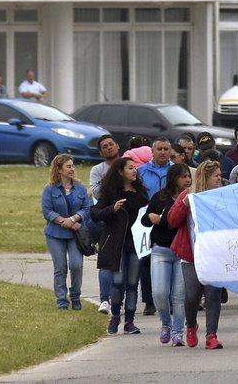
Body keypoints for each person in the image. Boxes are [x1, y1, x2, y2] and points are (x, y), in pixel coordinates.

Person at [168, 160, 225, 349]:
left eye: (219, 174)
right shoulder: (189, 195)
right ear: (205, 177)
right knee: (192, 295)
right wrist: (183, 204)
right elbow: (172, 220)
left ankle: (212, 335)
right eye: (216, 175)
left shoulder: (221, 195)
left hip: (215, 256)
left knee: (213, 295)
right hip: (191, 255)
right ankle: (191, 325)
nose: (219, 178)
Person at [92, 157, 149, 334]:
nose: (134, 171)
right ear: (120, 171)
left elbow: (146, 215)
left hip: (135, 243)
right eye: (130, 168)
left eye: (135, 168)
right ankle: (115, 316)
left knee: (132, 283)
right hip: (116, 243)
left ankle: (130, 321)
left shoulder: (140, 192)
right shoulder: (110, 193)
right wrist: (112, 209)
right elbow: (95, 214)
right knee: (117, 282)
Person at [143, 163, 192, 347]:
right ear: (173, 179)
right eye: (182, 176)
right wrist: (151, 217)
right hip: (161, 250)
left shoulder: (191, 197)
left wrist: (163, 220)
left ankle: (178, 333)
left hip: (182, 252)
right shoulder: (160, 197)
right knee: (159, 293)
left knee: (179, 296)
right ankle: (166, 323)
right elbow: (145, 219)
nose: (187, 180)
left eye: (188, 176)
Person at [41, 153, 91, 310]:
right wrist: (65, 222)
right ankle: (61, 300)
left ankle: (75, 296)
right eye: (68, 166)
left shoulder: (80, 188)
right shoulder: (49, 189)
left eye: (73, 166)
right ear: (59, 169)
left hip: (75, 235)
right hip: (55, 235)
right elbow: (47, 211)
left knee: (76, 265)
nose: (72, 169)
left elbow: (86, 209)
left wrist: (74, 219)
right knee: (60, 267)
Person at [137, 137, 174, 316]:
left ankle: (172, 299)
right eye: (159, 149)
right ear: (152, 151)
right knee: (146, 260)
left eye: (166, 149)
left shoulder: (175, 171)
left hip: (171, 219)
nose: (162, 152)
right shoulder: (141, 171)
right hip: (147, 218)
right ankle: (149, 301)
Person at [89, 134, 121, 314]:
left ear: (117, 146)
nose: (109, 148)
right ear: (101, 153)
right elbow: (97, 192)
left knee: (126, 263)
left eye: (111, 144)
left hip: (127, 218)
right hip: (106, 218)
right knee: (106, 260)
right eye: (105, 146)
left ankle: (120, 298)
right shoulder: (97, 170)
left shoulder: (128, 164)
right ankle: (104, 299)